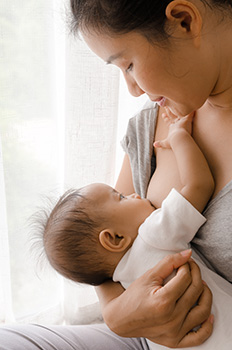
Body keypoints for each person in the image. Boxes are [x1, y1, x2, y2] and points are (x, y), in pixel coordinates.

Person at [1, 0, 232, 348]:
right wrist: (117, 314)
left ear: (184, 21)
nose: (133, 89)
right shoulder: (156, 116)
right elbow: (102, 247)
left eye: (128, 64)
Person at [41, 112, 232, 350]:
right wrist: (180, 137)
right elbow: (200, 184)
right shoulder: (154, 235)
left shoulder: (123, 285)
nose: (132, 194)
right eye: (120, 197)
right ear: (115, 238)